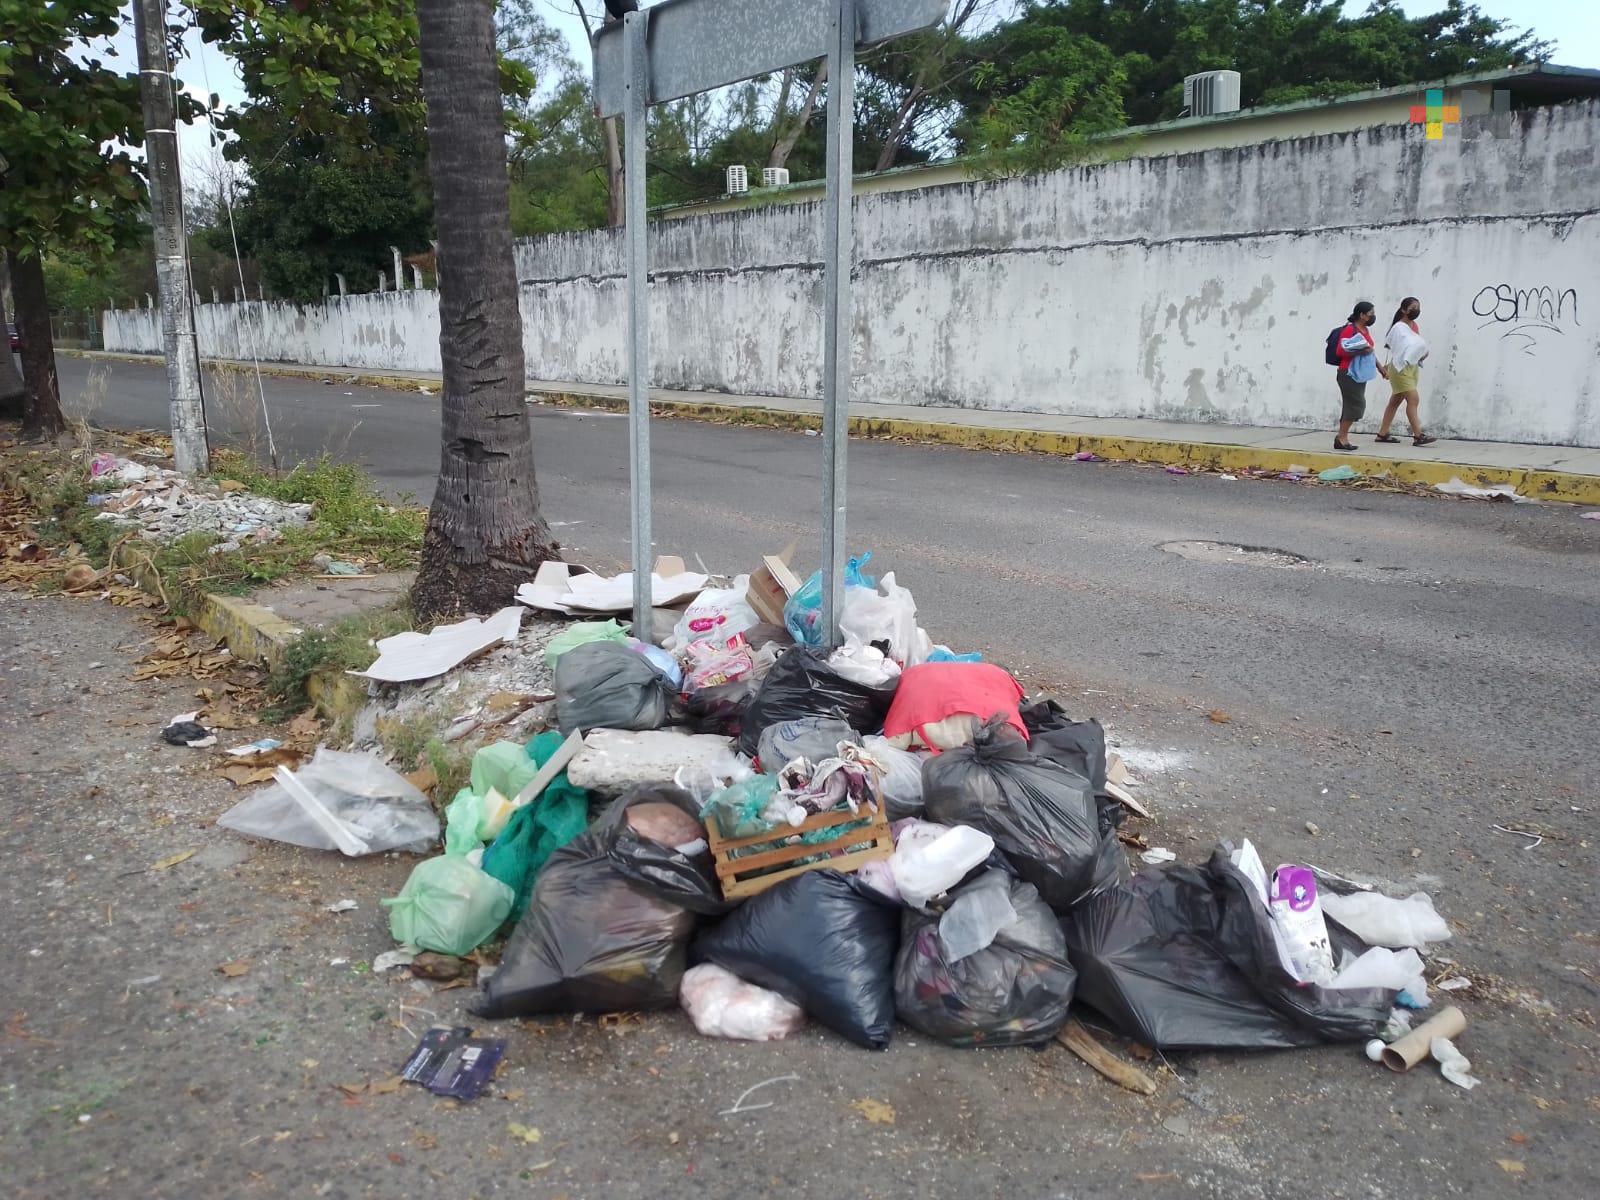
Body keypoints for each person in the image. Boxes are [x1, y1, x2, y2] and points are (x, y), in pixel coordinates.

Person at [1376, 297, 1437, 447]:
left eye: (1418, 307)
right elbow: (1397, 349)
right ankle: (1418, 436)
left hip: (1412, 367)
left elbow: (1414, 347)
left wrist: (1422, 354)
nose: (1416, 310)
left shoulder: (1413, 326)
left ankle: (1382, 434)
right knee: (1413, 399)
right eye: (1413, 307)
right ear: (1403, 310)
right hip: (1399, 367)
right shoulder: (1398, 327)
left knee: (1395, 401)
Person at [1333, 301, 1386, 451]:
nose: (1373, 317)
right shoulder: (1350, 330)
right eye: (1370, 314)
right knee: (1356, 405)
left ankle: (1341, 438)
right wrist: (1360, 351)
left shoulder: (1365, 330)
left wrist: (1380, 367)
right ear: (1361, 315)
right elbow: (1340, 351)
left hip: (1360, 374)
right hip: (1348, 372)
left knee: (1351, 405)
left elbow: (1370, 352)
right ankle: (1342, 437)